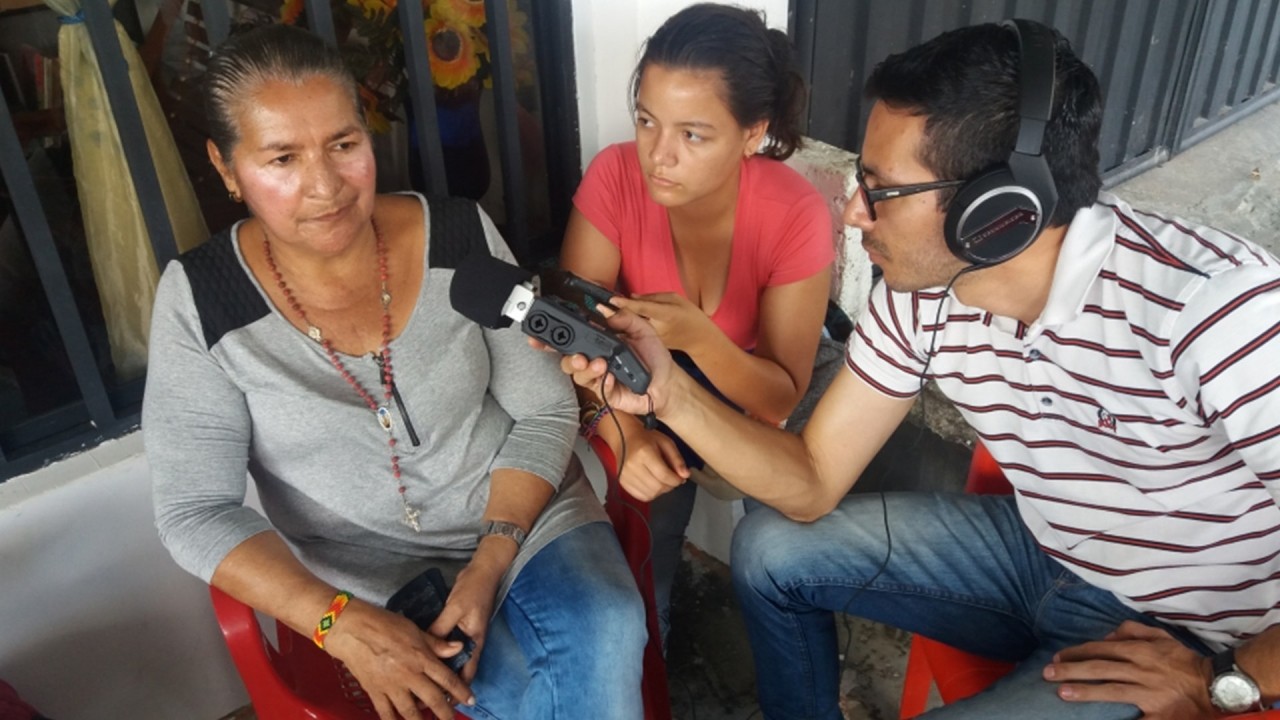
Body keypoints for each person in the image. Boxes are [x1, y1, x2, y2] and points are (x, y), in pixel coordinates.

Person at [557, 20, 1280, 720]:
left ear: (999, 212)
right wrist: (670, 393)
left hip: (1193, 634)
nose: (852, 214)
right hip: (1044, 552)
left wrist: (1227, 679)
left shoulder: (1218, 310)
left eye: (881, 189)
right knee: (771, 546)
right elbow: (810, 482)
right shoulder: (921, 297)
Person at [142, 24, 645, 720]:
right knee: (500, 696)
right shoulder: (202, 301)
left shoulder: (460, 236)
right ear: (226, 168)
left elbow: (545, 409)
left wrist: (491, 559)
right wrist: (336, 622)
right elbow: (194, 510)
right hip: (365, 568)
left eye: (343, 145)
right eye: (282, 158)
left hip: (527, 514)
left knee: (611, 625)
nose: (324, 186)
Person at [560, 2, 834, 645]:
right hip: (634, 374)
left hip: (748, 378)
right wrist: (623, 429)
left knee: (792, 523)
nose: (659, 155)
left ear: (751, 134)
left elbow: (778, 395)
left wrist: (698, 338)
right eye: (647, 121)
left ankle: (792, 649)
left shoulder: (795, 211)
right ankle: (652, 650)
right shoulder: (613, 177)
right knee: (646, 512)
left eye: (693, 135)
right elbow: (573, 333)